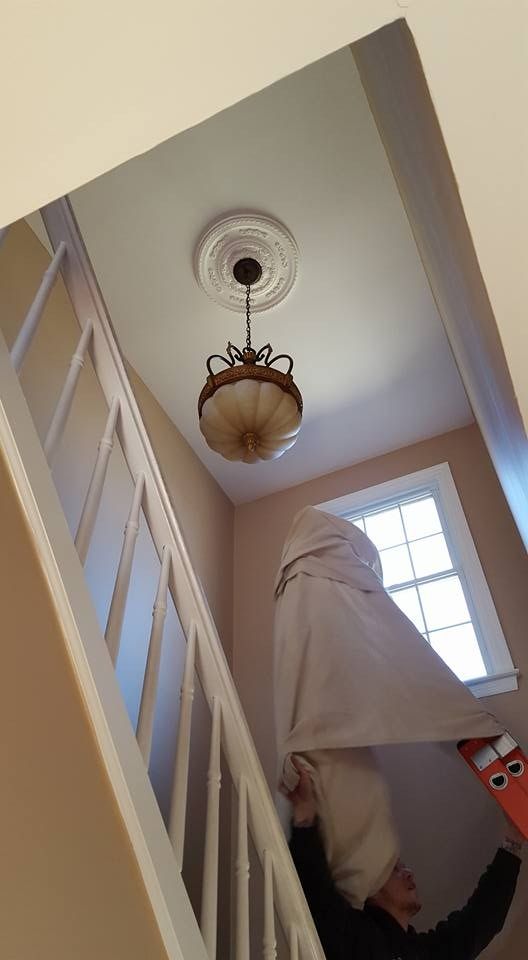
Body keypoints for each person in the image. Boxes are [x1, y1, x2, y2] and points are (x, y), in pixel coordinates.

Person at [285, 763, 523, 960]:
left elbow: (479, 920)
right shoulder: (353, 934)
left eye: (399, 867)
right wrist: (305, 816)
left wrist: (513, 839)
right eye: (395, 869)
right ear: (372, 889)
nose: (408, 872)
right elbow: (315, 888)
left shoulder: (424, 952)